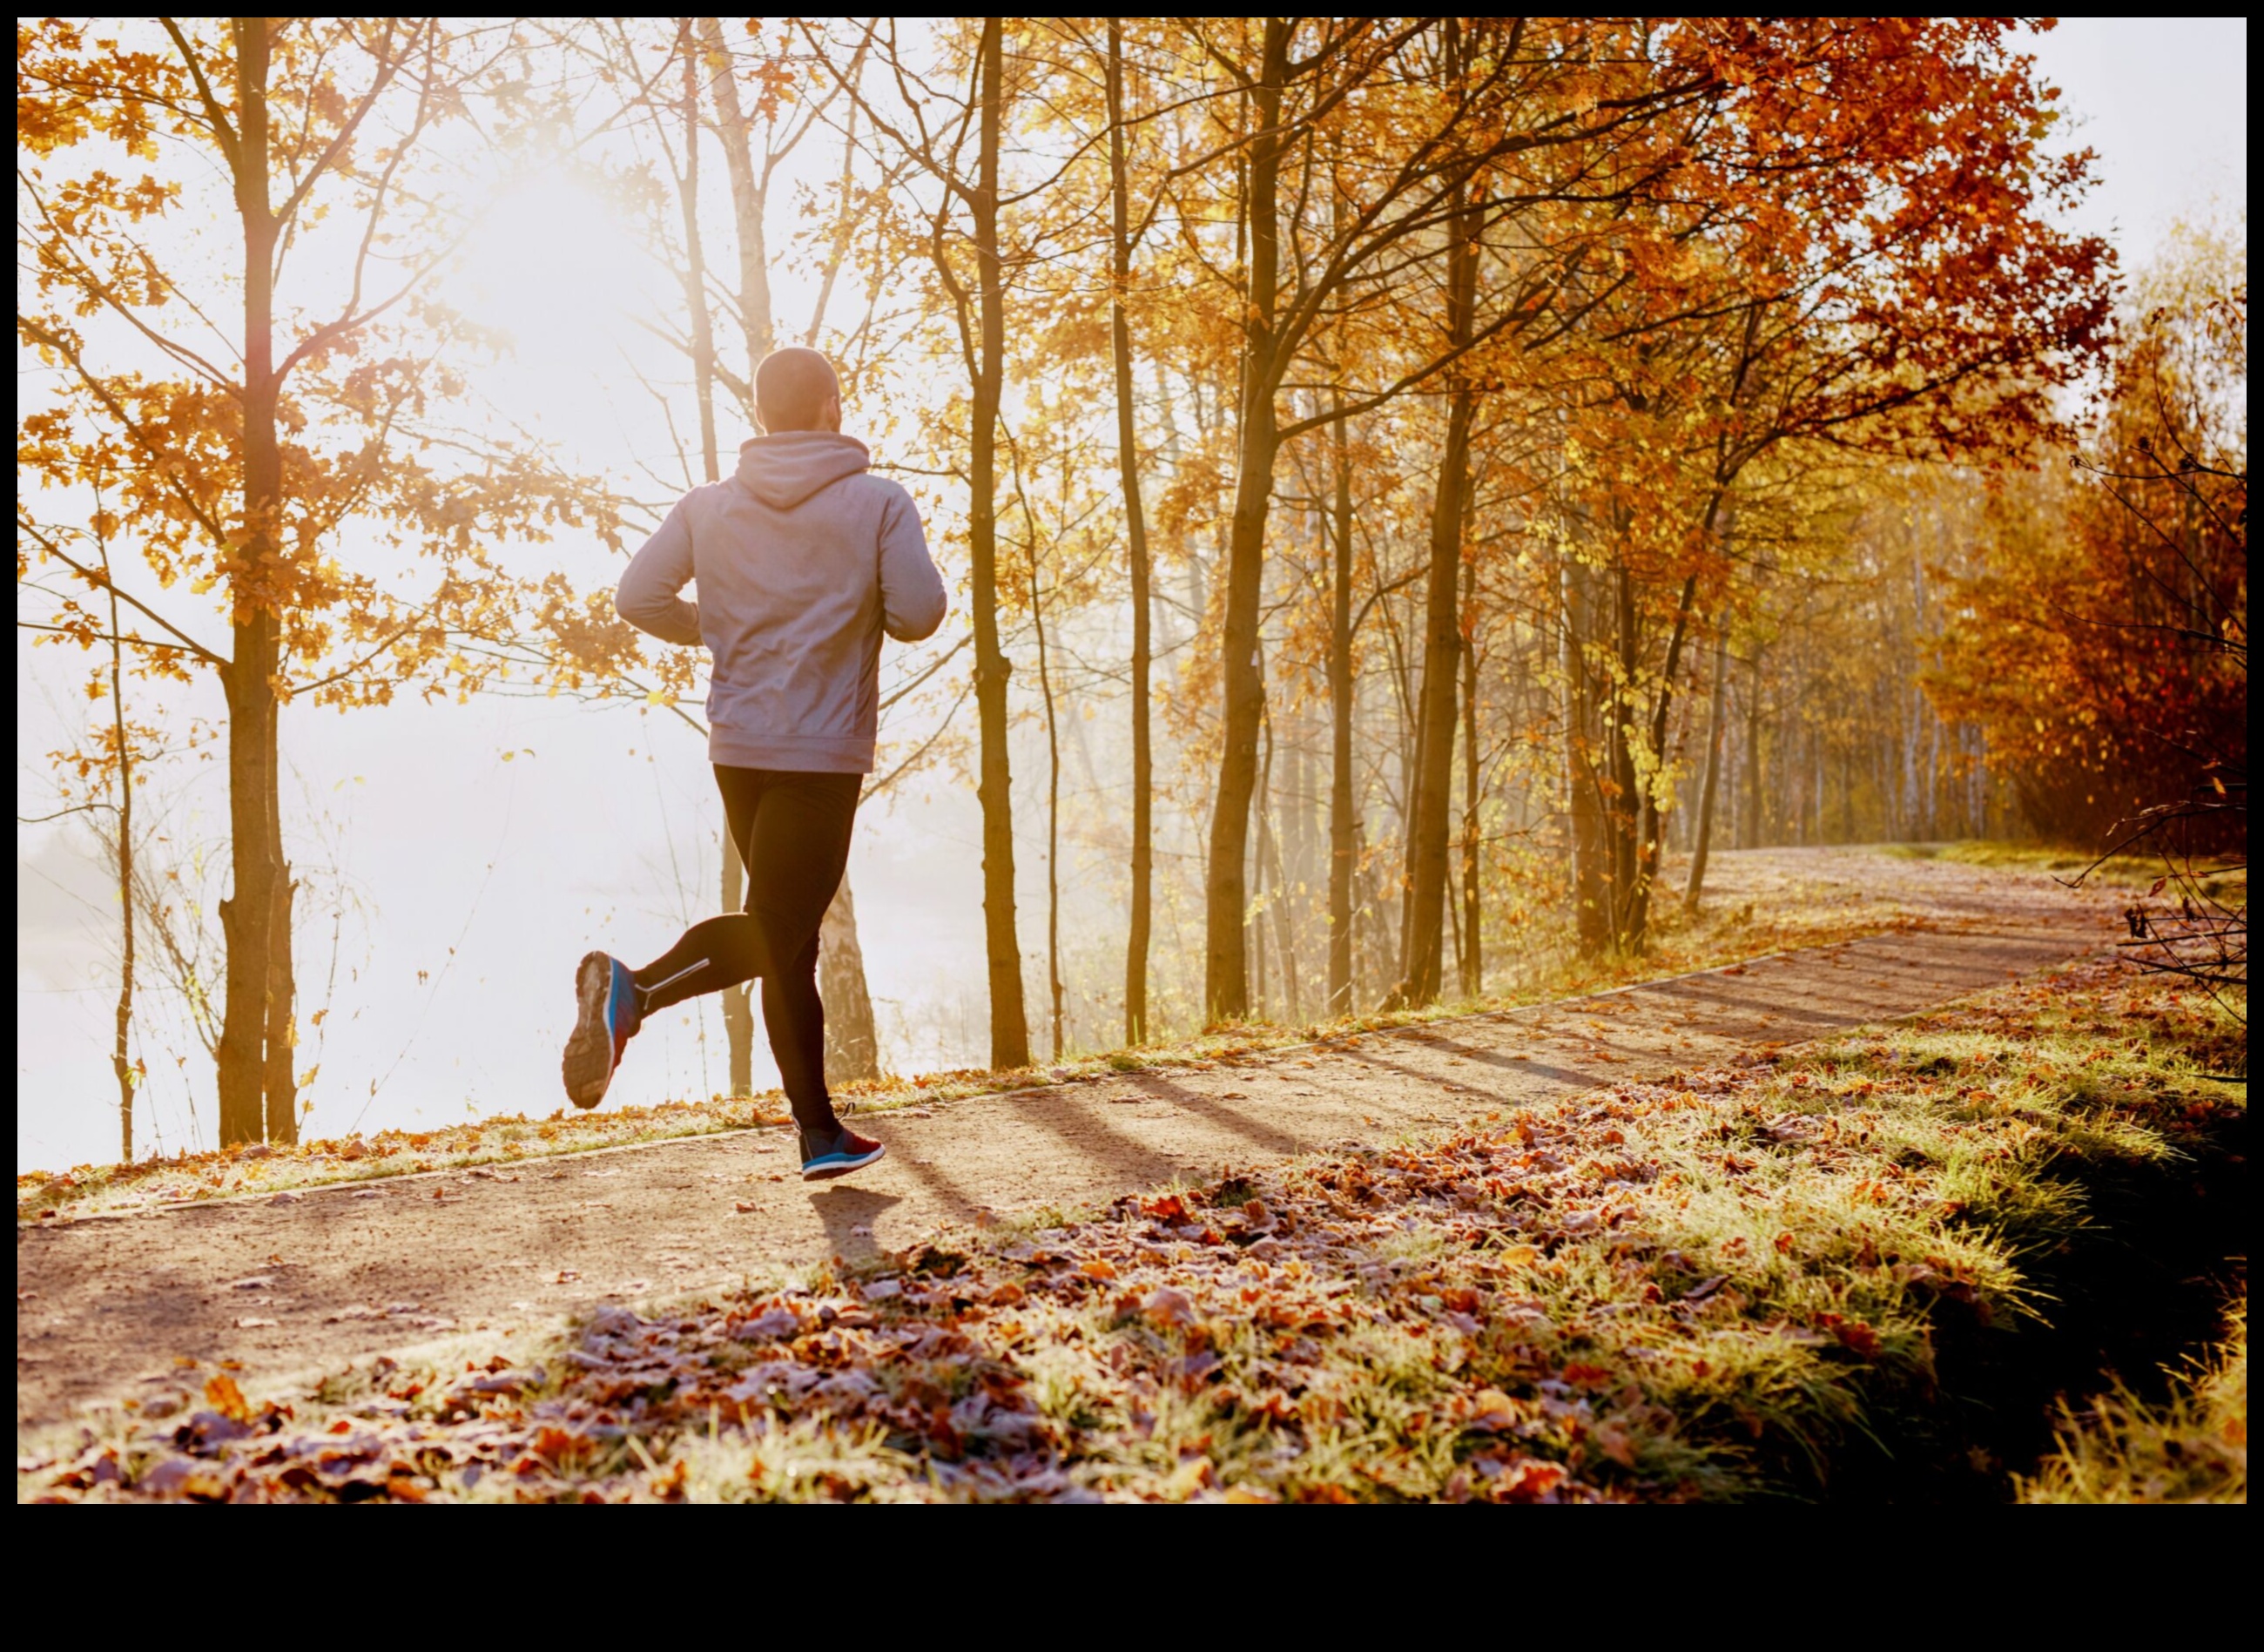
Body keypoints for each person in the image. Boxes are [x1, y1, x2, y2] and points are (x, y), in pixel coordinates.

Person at [561, 347, 946, 1182]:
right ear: (832, 408)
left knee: (787, 937)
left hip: (739, 745)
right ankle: (638, 991)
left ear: (765, 415)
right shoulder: (878, 503)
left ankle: (820, 1135)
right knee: (781, 929)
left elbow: (638, 598)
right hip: (820, 749)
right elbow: (919, 611)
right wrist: (847, 608)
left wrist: (727, 625)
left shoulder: (709, 506)